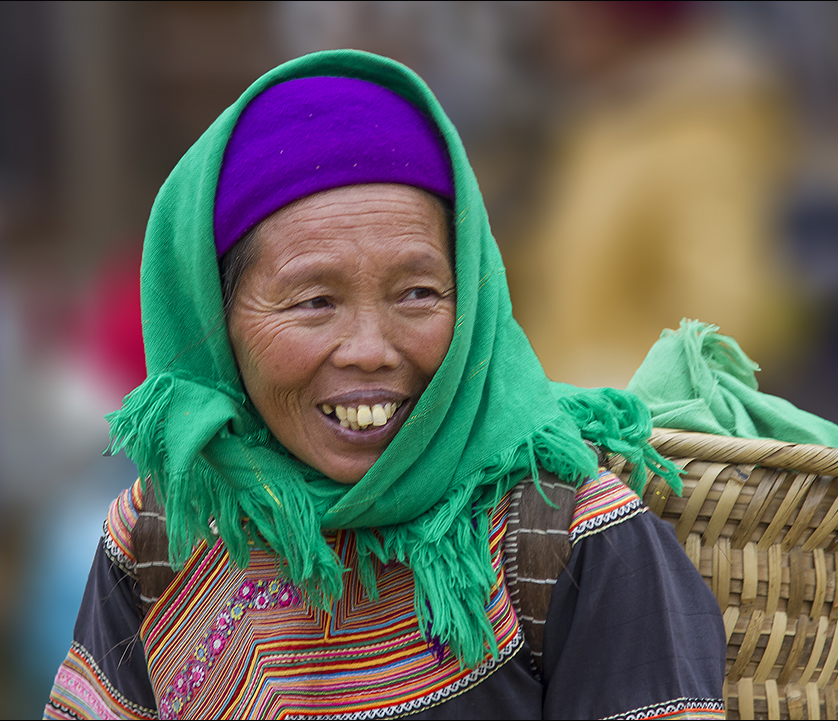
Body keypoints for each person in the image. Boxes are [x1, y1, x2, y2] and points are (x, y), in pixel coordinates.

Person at [44, 49, 726, 720]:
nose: (371, 349)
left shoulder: (574, 537)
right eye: (314, 301)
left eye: (418, 293)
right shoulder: (160, 540)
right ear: (218, 322)